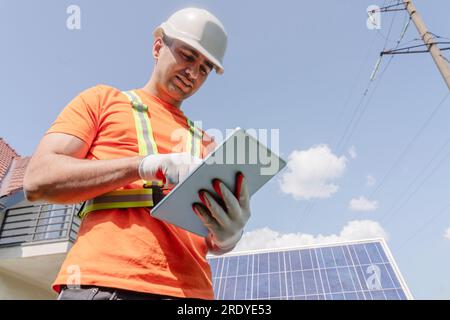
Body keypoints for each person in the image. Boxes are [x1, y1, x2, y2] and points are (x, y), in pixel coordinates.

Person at [23, 7, 251, 300]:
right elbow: (38, 179)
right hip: (106, 282)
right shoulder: (102, 101)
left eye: (205, 67)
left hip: (193, 296)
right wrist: (145, 166)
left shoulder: (207, 144)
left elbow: (211, 239)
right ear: (158, 46)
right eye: (188, 55)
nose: (193, 72)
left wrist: (228, 236)